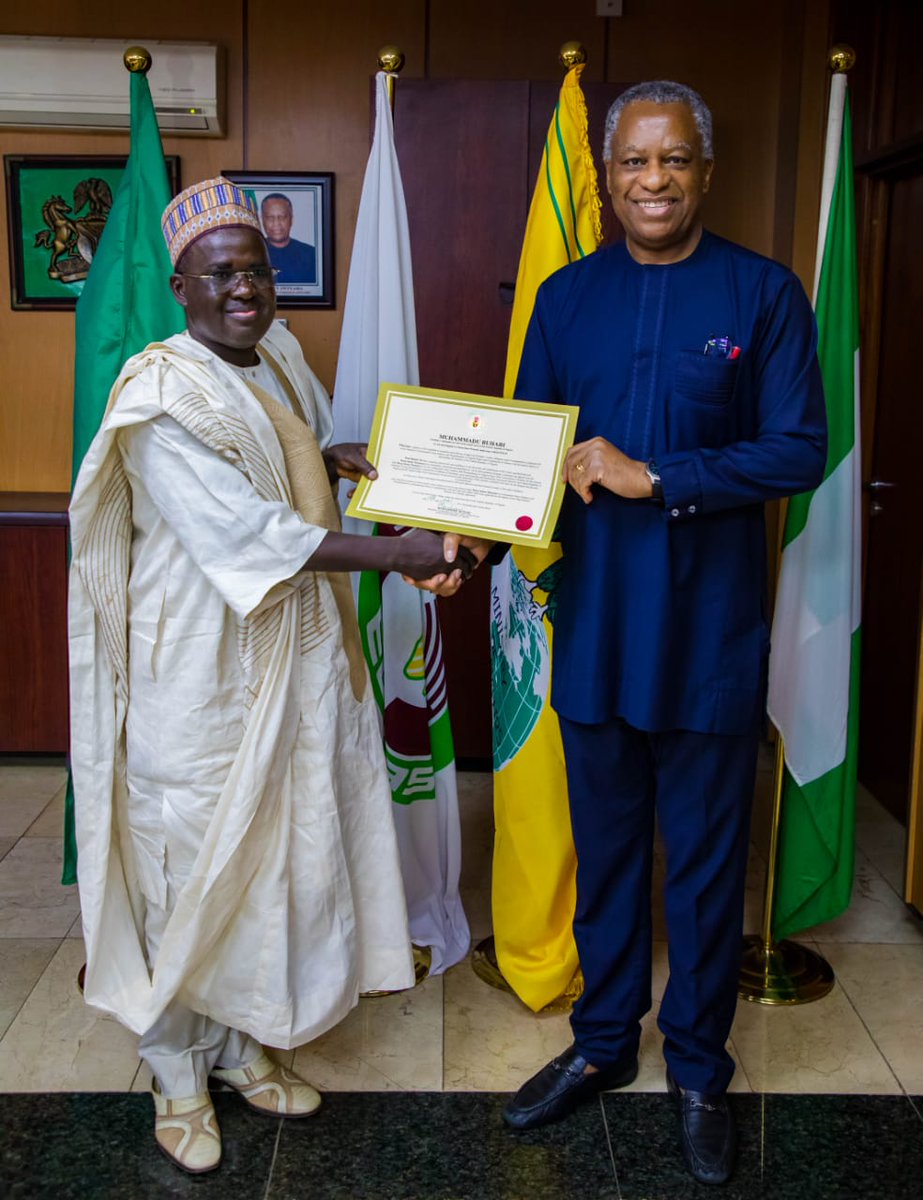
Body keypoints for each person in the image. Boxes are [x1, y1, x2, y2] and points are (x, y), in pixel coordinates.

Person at [431, 82, 827, 1185]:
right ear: (604, 180)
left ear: (706, 169)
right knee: (605, 858)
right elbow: (525, 476)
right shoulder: (564, 298)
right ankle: (603, 1046)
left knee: (701, 869)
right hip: (596, 630)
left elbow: (797, 449)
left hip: (707, 636)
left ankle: (698, 1067)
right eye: (631, 164)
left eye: (674, 160)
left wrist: (656, 476)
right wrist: (468, 543)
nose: (652, 181)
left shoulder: (761, 293)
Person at [69, 177, 471, 1175]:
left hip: (292, 659)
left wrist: (329, 455)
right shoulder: (159, 393)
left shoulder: (279, 356)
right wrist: (394, 554)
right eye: (220, 274)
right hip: (196, 681)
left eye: (255, 268)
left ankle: (243, 1045)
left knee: (271, 862)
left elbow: (277, 469)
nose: (243, 288)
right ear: (181, 286)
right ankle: (173, 1071)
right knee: (188, 872)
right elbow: (247, 532)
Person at [260, 192, 317, 283]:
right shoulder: (253, 254)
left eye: (282, 217)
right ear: (262, 220)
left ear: (291, 220)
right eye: (270, 217)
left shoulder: (312, 255)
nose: (276, 223)